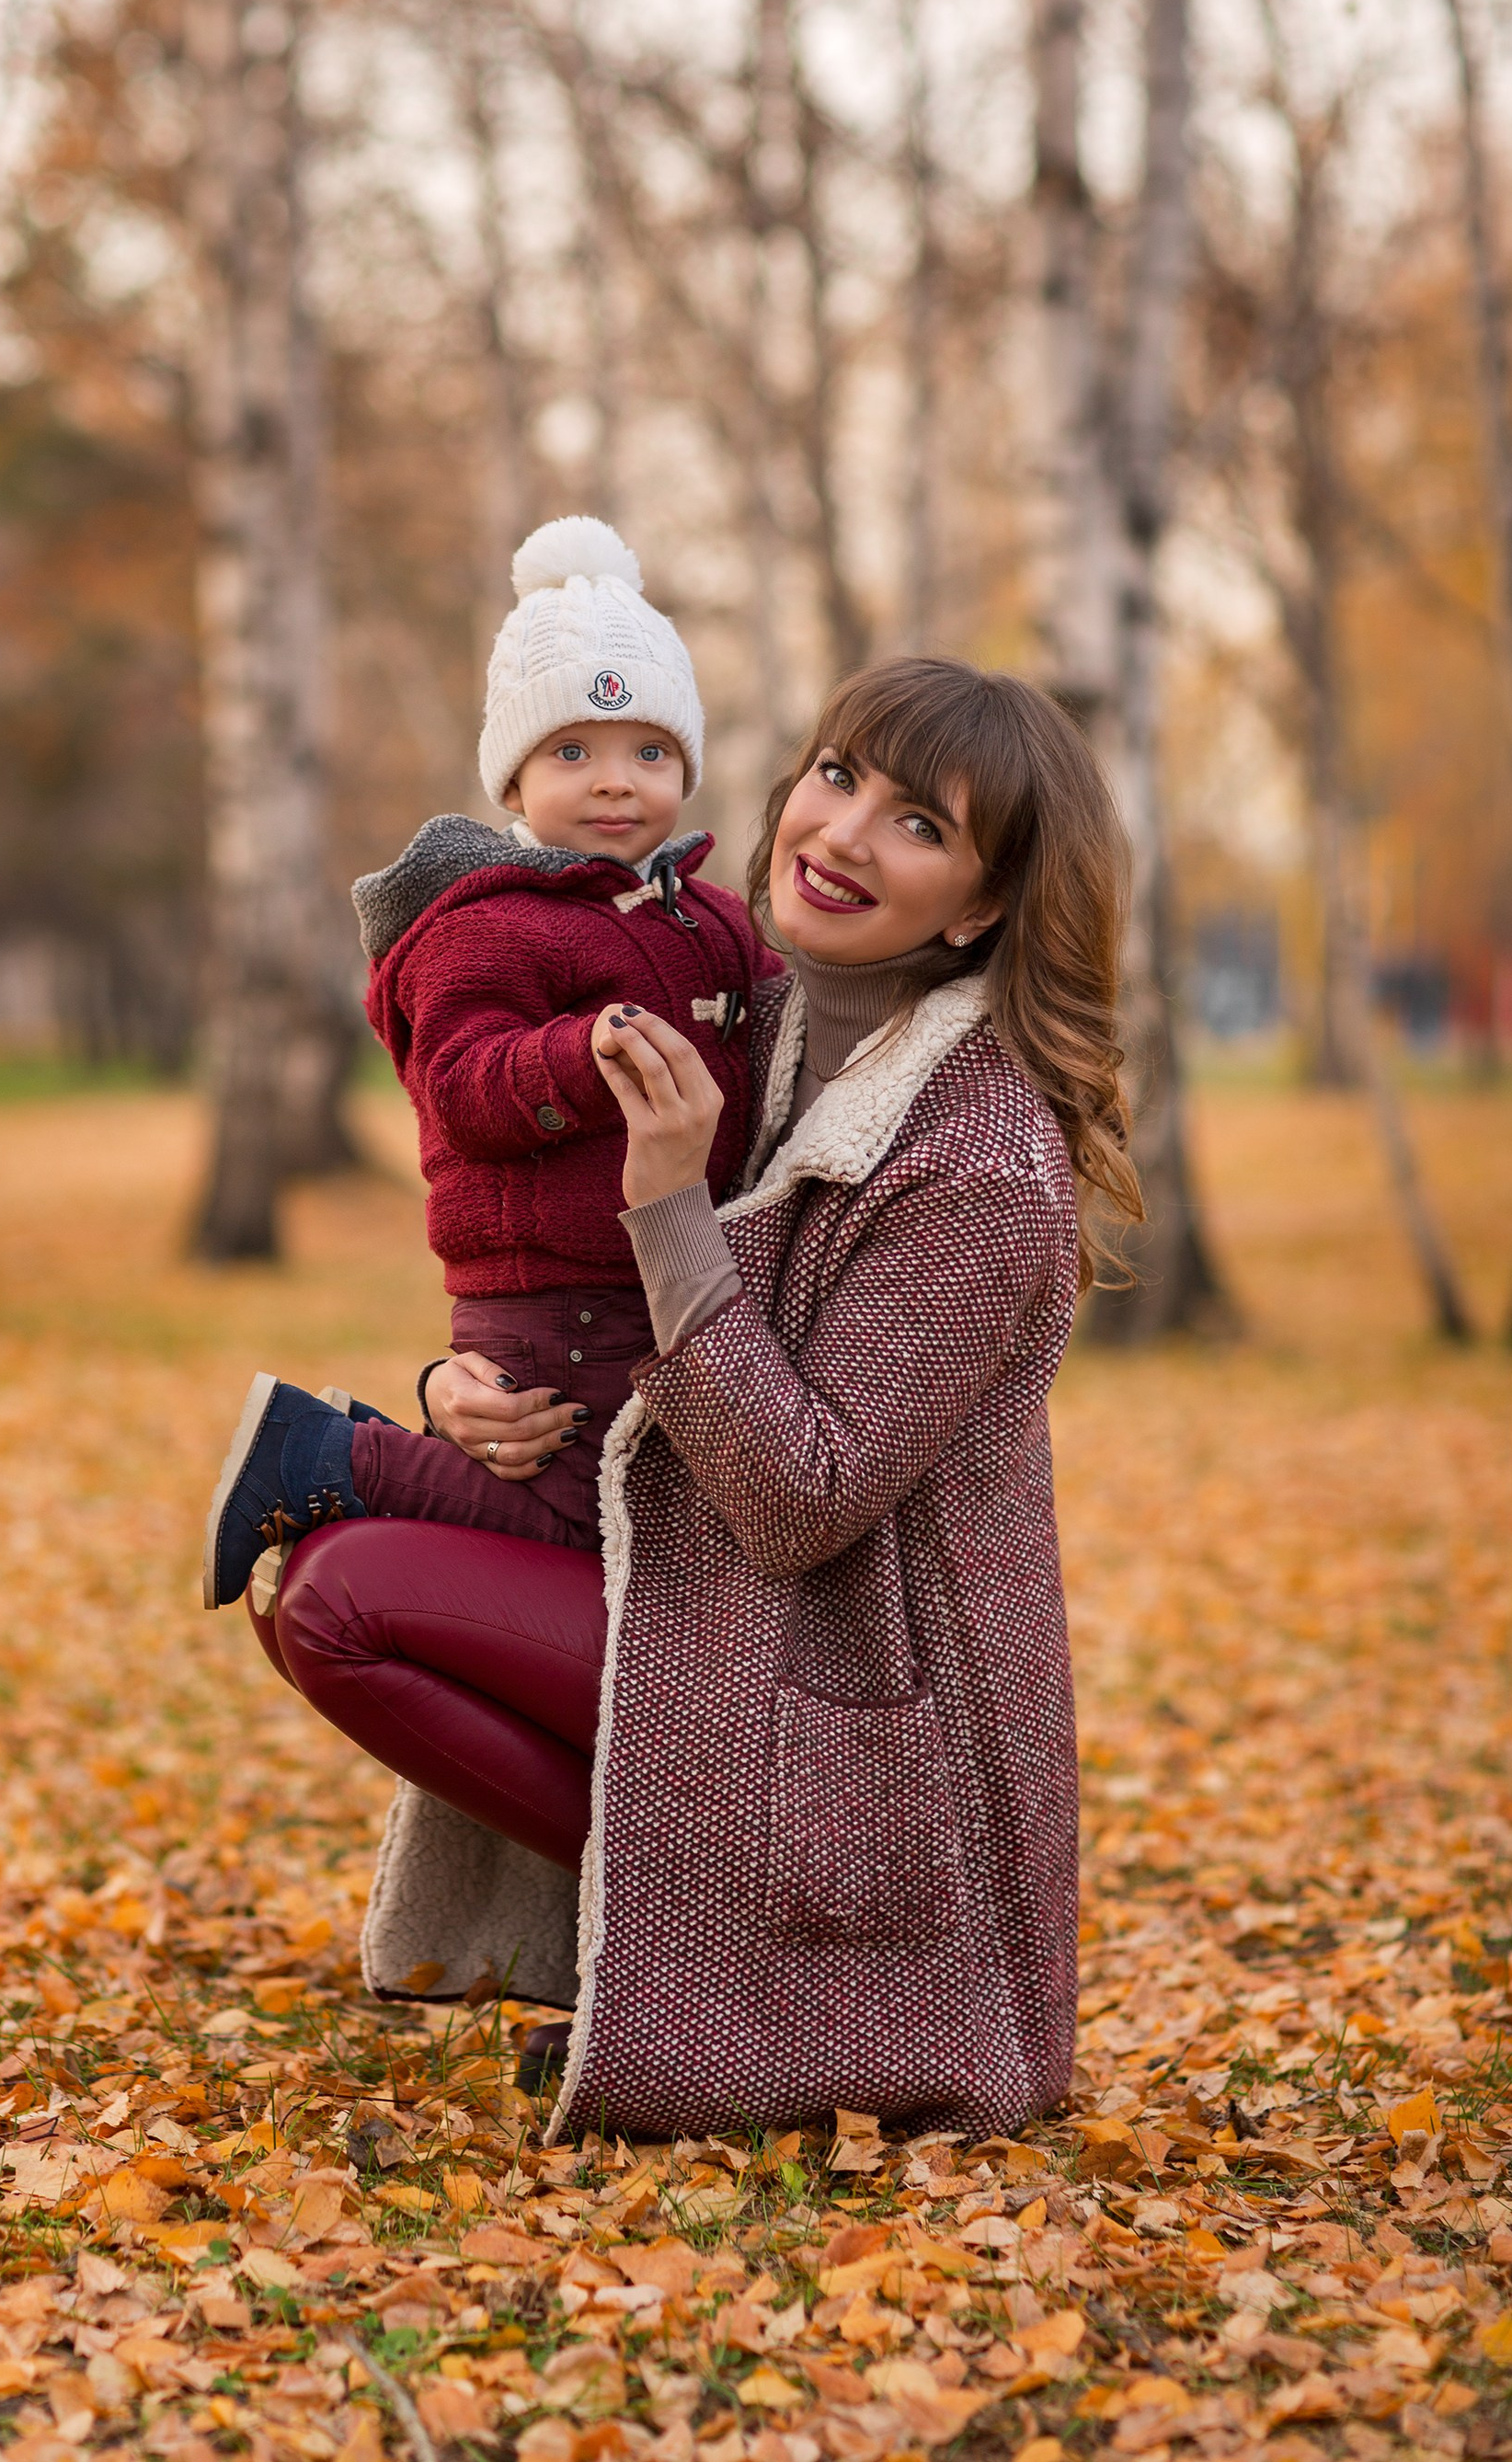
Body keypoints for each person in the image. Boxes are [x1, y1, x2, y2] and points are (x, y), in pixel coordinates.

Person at [254, 656, 1141, 2140]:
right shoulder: (750, 1025)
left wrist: (668, 1203)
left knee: (345, 1599)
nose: (843, 833)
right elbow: (551, 1252)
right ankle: (672, 1955)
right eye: (840, 776)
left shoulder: (983, 1159)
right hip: (699, 1601)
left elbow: (801, 1497)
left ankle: (772, 1981)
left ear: (981, 904)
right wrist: (460, 1387)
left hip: (855, 1696)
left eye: (920, 825)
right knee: (306, 1581)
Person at [202, 518, 778, 1611]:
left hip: (657, 1281)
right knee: (579, 1519)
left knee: (617, 1521)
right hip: (548, 1294)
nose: (614, 784)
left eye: (648, 753)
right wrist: (580, 1053)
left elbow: (786, 1024)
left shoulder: (711, 920)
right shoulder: (488, 923)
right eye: (572, 753)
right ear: (511, 783)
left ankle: (340, 1451)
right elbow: (462, 1089)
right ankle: (328, 1459)